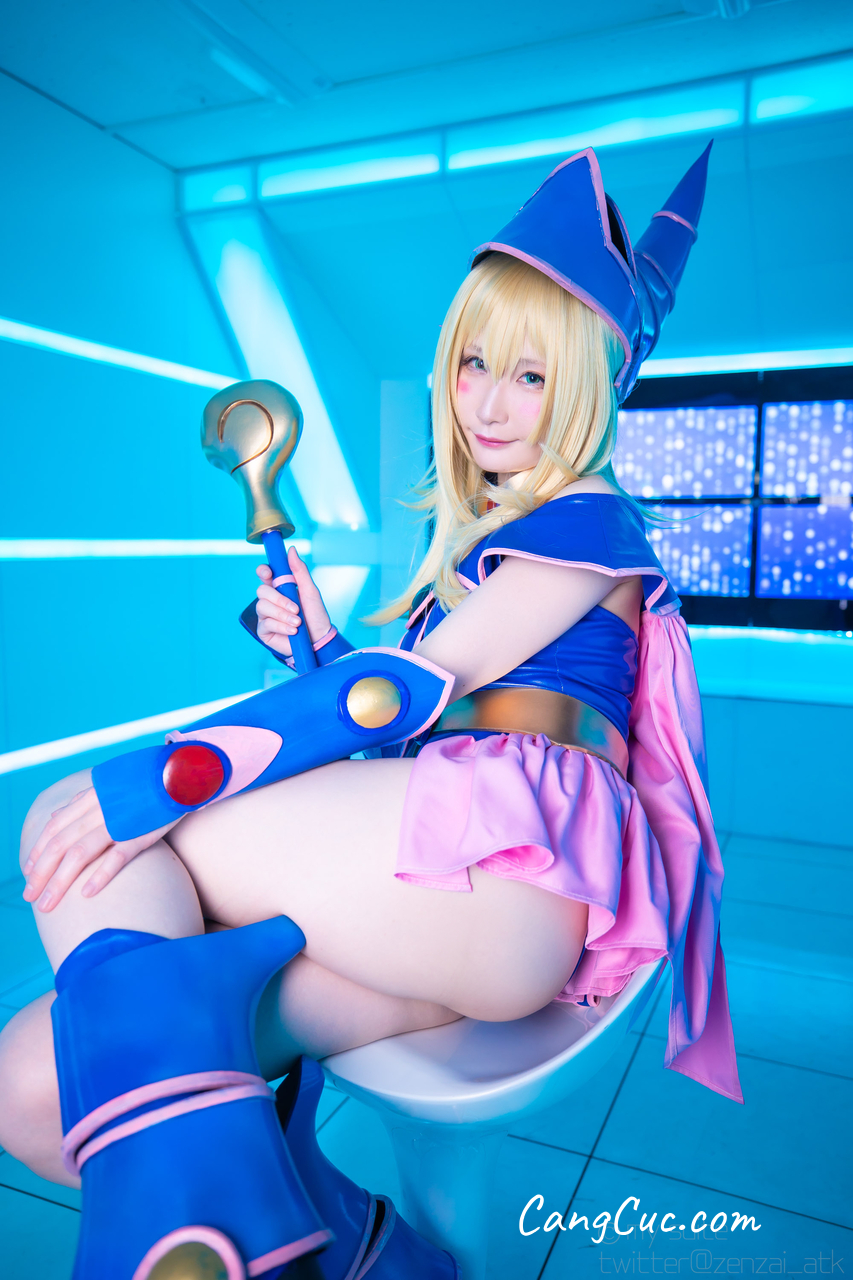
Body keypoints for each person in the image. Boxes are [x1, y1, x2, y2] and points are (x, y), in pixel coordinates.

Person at [0, 143, 741, 1280]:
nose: (487, 401)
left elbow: (397, 696)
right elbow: (401, 708)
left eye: (531, 376)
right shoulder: (494, 545)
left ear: (591, 390)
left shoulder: (589, 522)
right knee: (34, 1081)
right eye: (474, 362)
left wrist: (145, 781)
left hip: (505, 881)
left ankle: (221, 1231)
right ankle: (356, 1248)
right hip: (439, 892)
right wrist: (316, 643)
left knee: (90, 827)